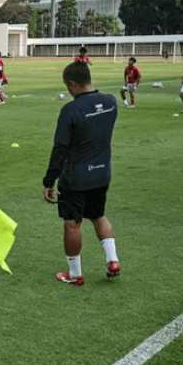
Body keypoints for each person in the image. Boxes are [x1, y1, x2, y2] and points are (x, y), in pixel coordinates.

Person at [42, 61, 121, 286]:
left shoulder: (71, 110)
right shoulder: (110, 102)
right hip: (102, 172)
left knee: (72, 223)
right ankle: (112, 260)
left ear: (73, 84)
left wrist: (49, 181)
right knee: (98, 215)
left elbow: (61, 148)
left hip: (76, 177)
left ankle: (75, 274)